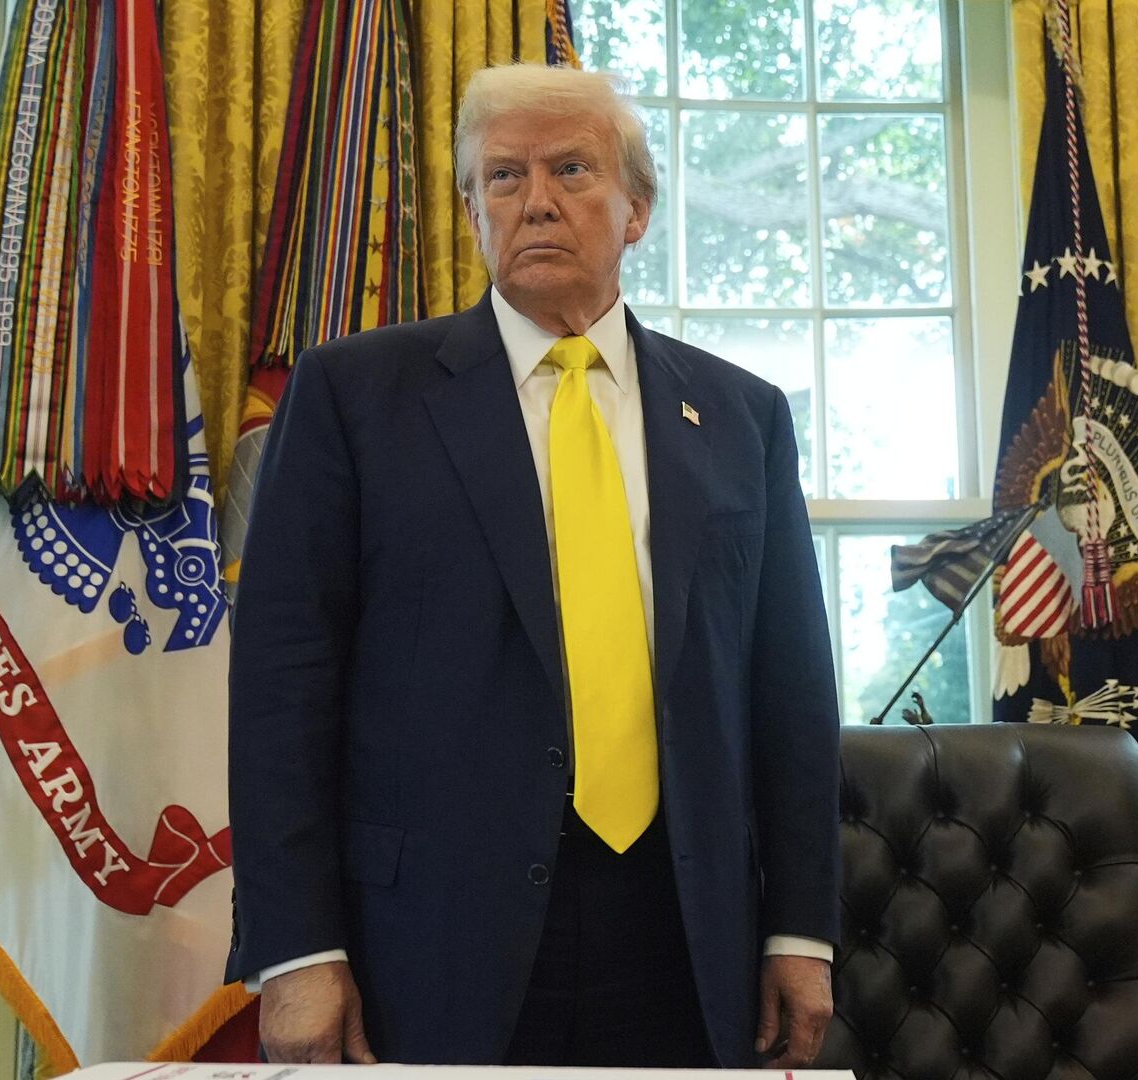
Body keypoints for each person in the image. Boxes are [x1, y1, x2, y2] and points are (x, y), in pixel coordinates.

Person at [225, 63, 842, 1068]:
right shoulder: (354, 396)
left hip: (688, 933)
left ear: (637, 210)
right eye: (503, 177)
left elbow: (792, 691)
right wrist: (297, 949)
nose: (537, 201)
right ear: (472, 212)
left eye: (572, 170)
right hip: (428, 938)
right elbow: (282, 688)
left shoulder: (743, 417)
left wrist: (801, 931)